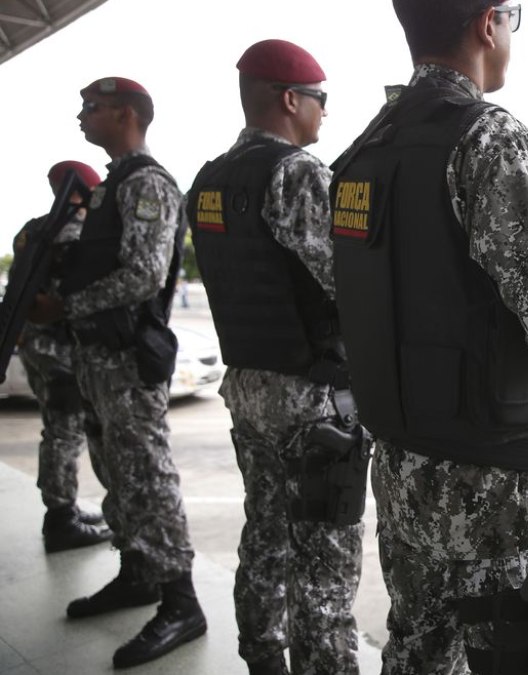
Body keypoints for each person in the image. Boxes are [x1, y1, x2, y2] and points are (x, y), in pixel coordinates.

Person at [330, 2, 528, 672]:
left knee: (419, 652)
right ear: (488, 24)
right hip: (490, 486)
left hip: (402, 472)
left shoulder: (363, 151)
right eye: (511, 14)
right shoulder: (490, 139)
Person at [186, 39, 365, 675]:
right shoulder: (297, 174)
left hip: (247, 387)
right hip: (309, 397)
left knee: (264, 532)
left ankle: (263, 656)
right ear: (291, 99)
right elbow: (349, 283)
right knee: (325, 561)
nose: (324, 114)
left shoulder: (208, 180)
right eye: (321, 101)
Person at [30, 76, 205, 670]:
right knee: (116, 475)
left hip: (128, 360)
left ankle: (181, 602)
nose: (82, 115)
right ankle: (138, 574)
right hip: (98, 360)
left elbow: (146, 275)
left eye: (93, 107)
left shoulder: (148, 183)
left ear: (127, 115)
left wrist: (65, 308)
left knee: (147, 479)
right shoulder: (109, 189)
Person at [15, 160, 113, 553]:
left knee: (55, 428)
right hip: (62, 349)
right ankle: (60, 518)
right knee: (66, 432)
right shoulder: (77, 231)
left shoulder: (33, 229)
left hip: (37, 346)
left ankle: (63, 509)